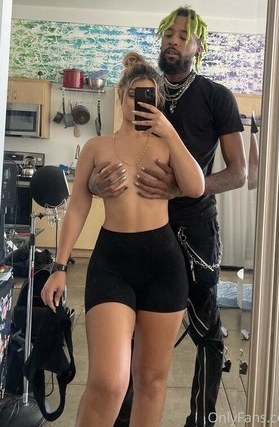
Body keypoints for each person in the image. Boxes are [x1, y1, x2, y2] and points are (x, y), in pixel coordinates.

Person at [88, 7, 247, 427]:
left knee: (206, 331)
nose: (173, 41)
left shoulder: (216, 97)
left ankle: (201, 420)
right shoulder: (144, 90)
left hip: (194, 229)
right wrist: (94, 184)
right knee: (128, 336)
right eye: (168, 34)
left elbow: (238, 173)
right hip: (138, 233)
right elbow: (110, 159)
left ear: (198, 46)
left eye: (183, 36)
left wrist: (180, 188)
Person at [41, 53, 205, 427]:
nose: (140, 102)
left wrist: (169, 131)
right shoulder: (97, 147)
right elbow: (77, 208)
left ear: (158, 101)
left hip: (164, 266)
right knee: (110, 382)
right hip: (112, 263)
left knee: (151, 381)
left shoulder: (166, 145)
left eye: (150, 96)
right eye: (134, 94)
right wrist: (60, 266)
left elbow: (196, 186)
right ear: (121, 96)